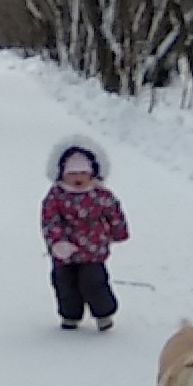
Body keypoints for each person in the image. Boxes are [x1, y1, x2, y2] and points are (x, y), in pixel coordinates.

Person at [41, 136, 129, 331]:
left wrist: (119, 230)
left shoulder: (100, 195)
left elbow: (113, 213)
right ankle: (70, 315)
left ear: (93, 173)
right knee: (64, 283)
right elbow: (50, 220)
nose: (78, 178)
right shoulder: (56, 196)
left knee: (93, 282)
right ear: (61, 173)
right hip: (65, 251)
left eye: (83, 172)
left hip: (93, 249)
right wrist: (57, 242)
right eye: (72, 173)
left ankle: (104, 313)